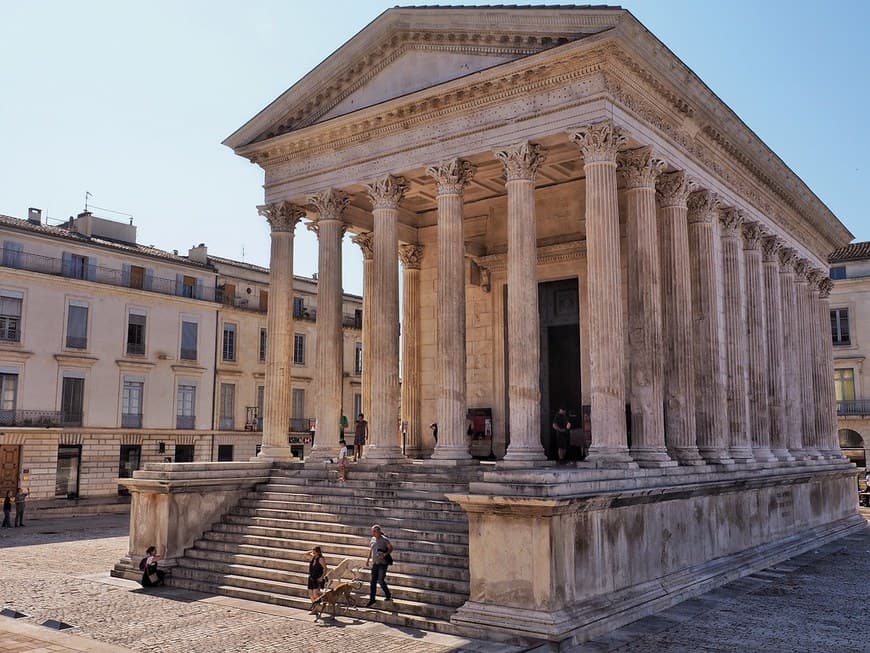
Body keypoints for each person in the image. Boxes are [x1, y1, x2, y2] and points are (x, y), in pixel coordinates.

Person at [365, 524, 392, 607]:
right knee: (372, 582)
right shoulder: (372, 539)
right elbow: (371, 550)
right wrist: (368, 559)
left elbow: (391, 548)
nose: (373, 533)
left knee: (380, 580)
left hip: (383, 563)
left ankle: (388, 594)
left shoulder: (384, 540)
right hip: (375, 563)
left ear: (379, 531)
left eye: (374, 531)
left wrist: (385, 554)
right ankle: (372, 599)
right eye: (372, 531)